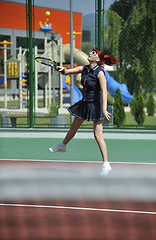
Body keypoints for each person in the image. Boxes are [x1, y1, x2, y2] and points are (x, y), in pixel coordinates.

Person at [49, 48, 119, 175]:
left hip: (97, 105)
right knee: (74, 127)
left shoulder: (100, 73)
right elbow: (67, 72)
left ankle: (106, 164)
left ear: (97, 59)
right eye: (91, 52)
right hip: (85, 103)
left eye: (94, 53)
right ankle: (62, 145)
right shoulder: (84, 68)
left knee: (97, 135)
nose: (90, 53)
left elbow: (104, 92)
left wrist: (103, 109)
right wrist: (61, 69)